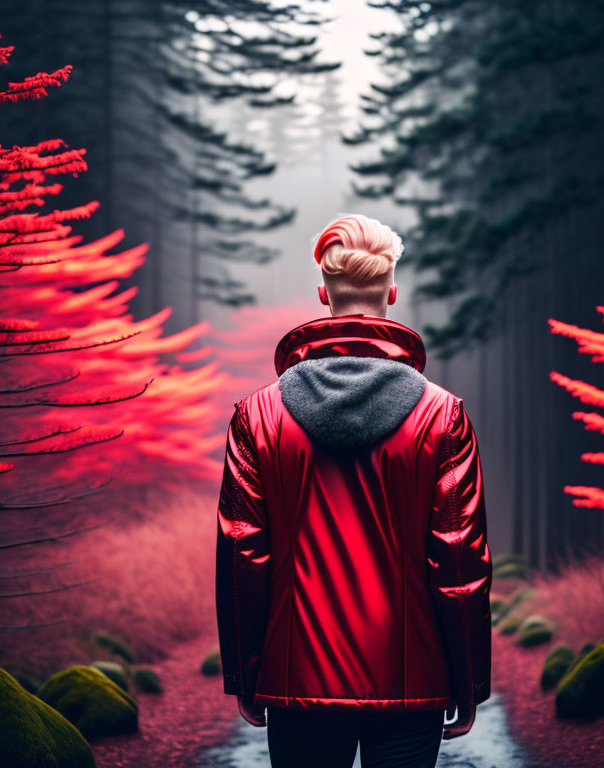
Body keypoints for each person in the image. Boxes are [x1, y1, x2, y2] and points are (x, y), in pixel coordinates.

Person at [215, 213, 492, 767]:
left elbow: (244, 554)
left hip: (297, 681)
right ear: (392, 291)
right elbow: (459, 560)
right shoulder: (443, 416)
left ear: (324, 293)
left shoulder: (257, 416)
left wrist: (247, 675)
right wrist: (466, 681)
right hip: (410, 683)